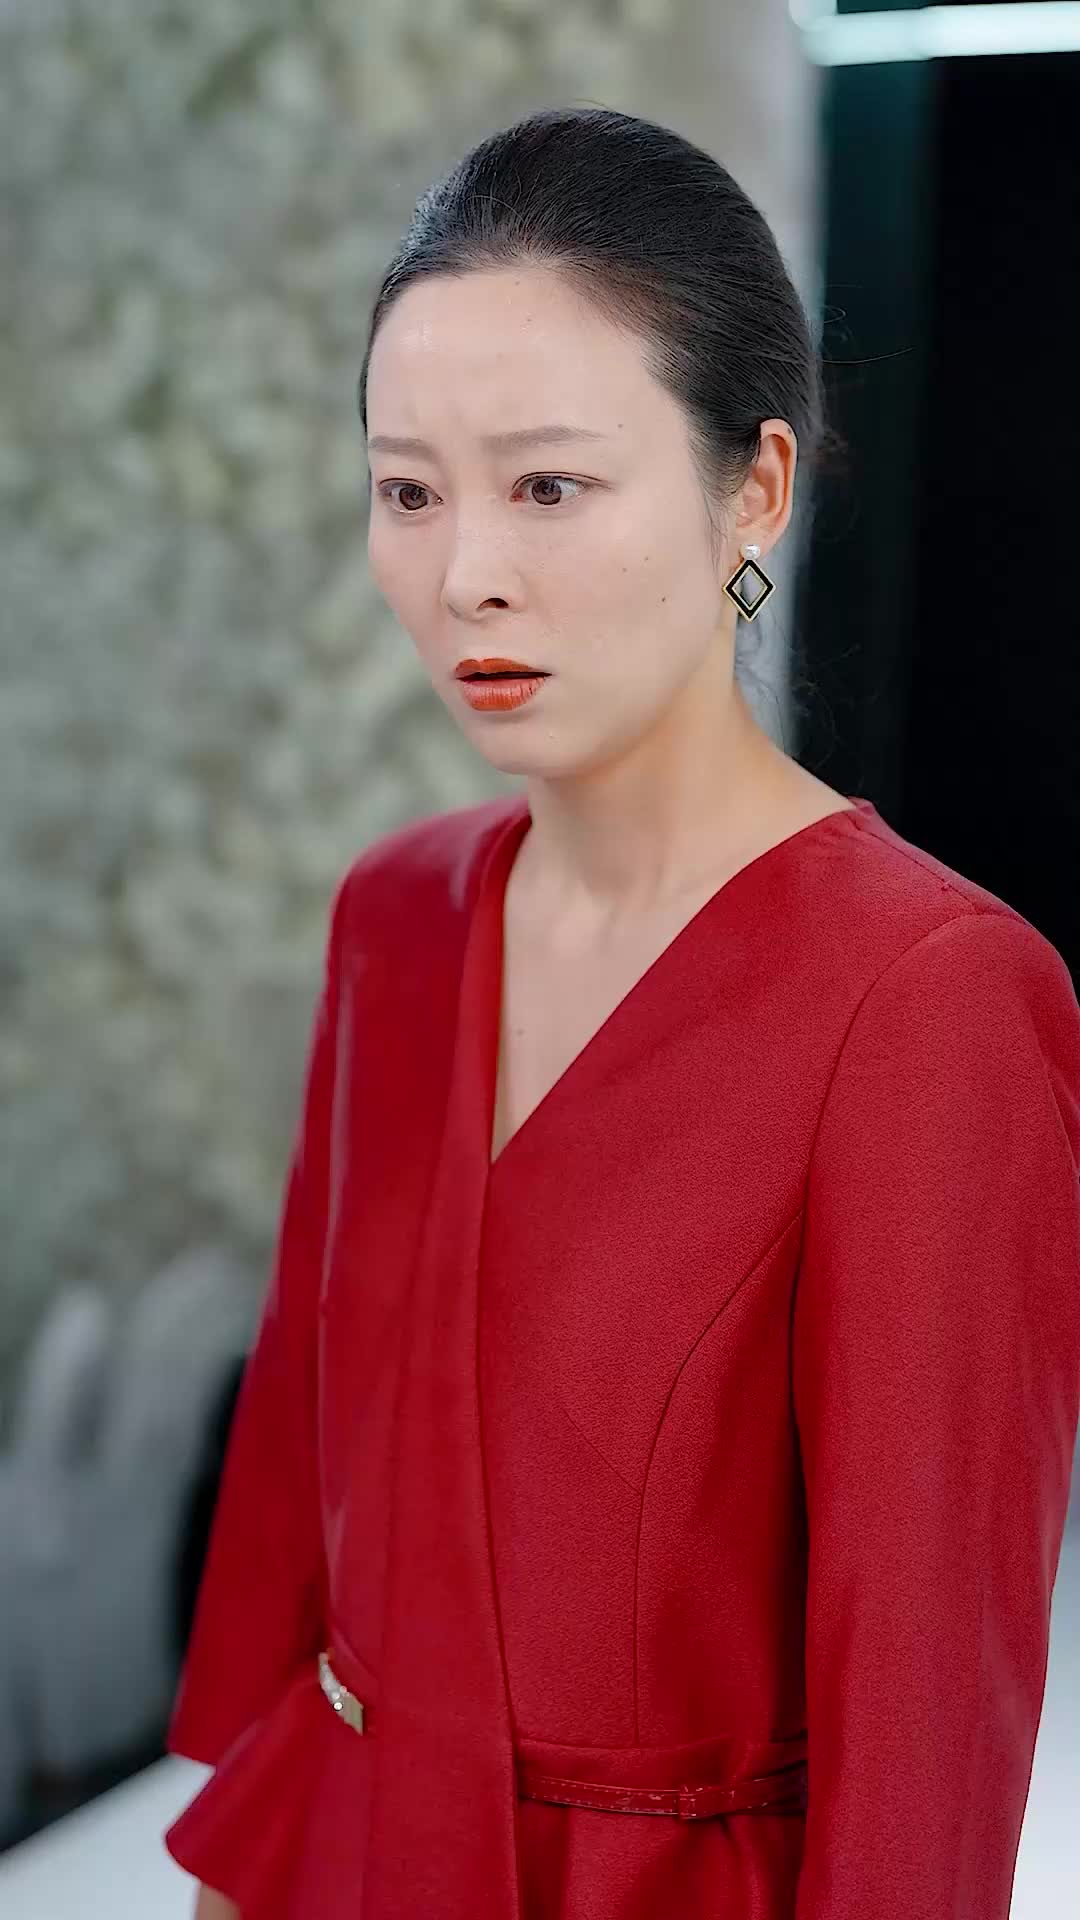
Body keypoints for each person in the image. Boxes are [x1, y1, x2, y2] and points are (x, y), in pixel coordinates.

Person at [163, 106, 1080, 1920]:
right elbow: (299, 1499)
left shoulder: (929, 1004)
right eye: (409, 490)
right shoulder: (400, 917)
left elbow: (923, 1717)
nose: (465, 576)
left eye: (549, 487)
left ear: (756, 490)